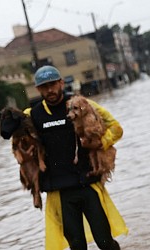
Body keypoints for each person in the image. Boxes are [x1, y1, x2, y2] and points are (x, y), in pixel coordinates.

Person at [25, 65, 128, 250]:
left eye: (53, 84)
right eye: (44, 87)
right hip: (59, 191)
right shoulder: (32, 115)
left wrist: (100, 143)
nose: (50, 90)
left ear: (61, 83)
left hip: (88, 184)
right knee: (77, 246)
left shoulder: (81, 105)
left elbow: (116, 128)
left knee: (105, 241)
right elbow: (17, 142)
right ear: (38, 89)